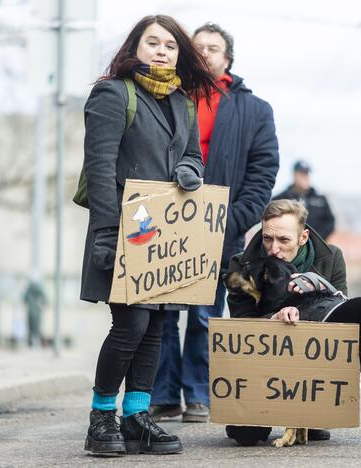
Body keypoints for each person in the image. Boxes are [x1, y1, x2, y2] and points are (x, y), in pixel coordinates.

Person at [79, 15, 218, 456]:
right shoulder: (112, 94)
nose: (161, 51)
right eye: (152, 42)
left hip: (168, 237)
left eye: (170, 45)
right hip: (123, 232)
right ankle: (102, 417)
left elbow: (194, 157)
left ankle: (136, 418)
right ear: (134, 48)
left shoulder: (183, 102)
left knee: (157, 325)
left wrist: (189, 172)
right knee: (131, 324)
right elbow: (100, 170)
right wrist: (105, 234)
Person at [151, 22, 279, 423]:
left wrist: (234, 219)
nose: (205, 52)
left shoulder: (254, 109)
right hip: (167, 225)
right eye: (198, 46)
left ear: (228, 59)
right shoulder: (167, 96)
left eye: (214, 47)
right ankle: (165, 395)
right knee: (164, 314)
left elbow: (263, 172)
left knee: (205, 316)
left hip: (221, 227)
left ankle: (198, 393)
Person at [225, 199, 347, 445]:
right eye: (268, 238)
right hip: (262, 358)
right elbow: (241, 323)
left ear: (303, 237)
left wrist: (320, 291)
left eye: (283, 240)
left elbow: (342, 320)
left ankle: (307, 412)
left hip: (310, 356)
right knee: (246, 436)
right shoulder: (242, 264)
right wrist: (275, 319)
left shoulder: (331, 258)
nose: (273, 249)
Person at [273, 160, 335, 240]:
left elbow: (330, 222)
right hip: (288, 243)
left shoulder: (321, 199)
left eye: (307, 174)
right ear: (295, 175)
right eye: (302, 174)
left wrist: (317, 239)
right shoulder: (280, 199)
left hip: (318, 244)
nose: (305, 177)